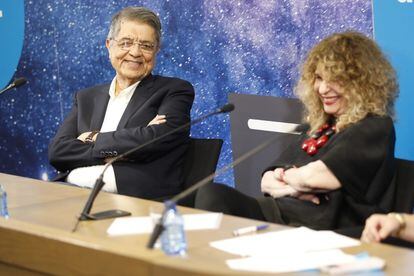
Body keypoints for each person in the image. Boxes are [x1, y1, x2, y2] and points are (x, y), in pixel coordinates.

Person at [195, 31, 399, 230]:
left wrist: (292, 181)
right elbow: (267, 182)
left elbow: (315, 177)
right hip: (280, 214)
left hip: (327, 226)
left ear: (361, 83)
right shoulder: (320, 125)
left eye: (335, 79)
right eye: (319, 78)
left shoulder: (374, 126)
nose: (323, 89)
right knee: (212, 194)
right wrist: (296, 187)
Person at [48, 7, 194, 199]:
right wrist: (116, 152)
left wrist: (93, 138)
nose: (135, 52)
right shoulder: (86, 97)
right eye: (126, 43)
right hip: (71, 194)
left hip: (135, 199)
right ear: (109, 45)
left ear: (156, 50)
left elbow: (156, 139)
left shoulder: (174, 90)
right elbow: (58, 152)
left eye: (146, 46)